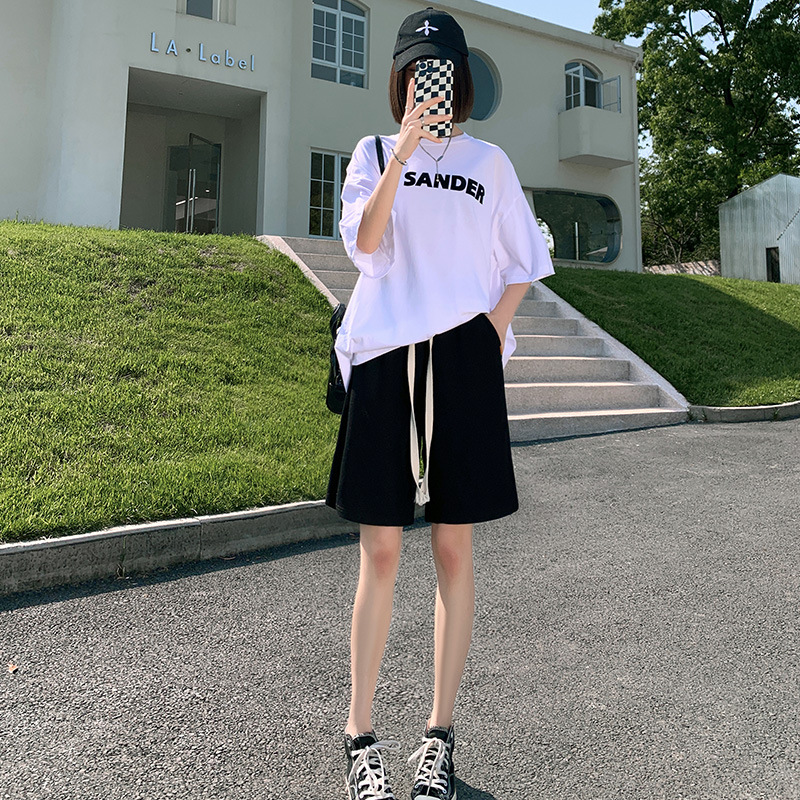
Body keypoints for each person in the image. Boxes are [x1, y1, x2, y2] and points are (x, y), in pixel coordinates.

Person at [326, 7, 554, 799]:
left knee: (454, 550)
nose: (433, 82)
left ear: (460, 79)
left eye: (444, 69)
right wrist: (404, 151)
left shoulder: (490, 162)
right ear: (402, 79)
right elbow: (366, 245)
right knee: (381, 550)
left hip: (461, 358)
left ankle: (438, 736)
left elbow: (523, 259)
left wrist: (491, 330)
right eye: (420, 69)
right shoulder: (372, 152)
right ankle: (359, 737)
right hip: (386, 356)